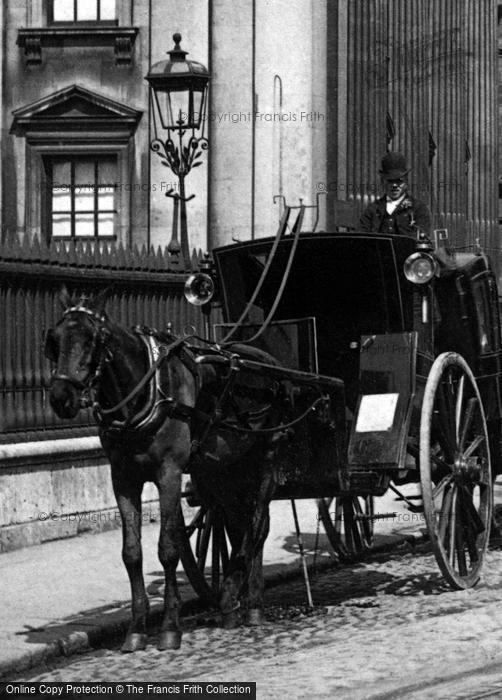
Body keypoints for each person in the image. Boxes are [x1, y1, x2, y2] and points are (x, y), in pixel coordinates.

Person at [359, 152, 432, 237]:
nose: (394, 185)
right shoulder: (372, 210)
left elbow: (421, 239)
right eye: (390, 181)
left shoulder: (418, 209)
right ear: (382, 182)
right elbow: (362, 239)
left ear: (406, 182)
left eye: (399, 180)